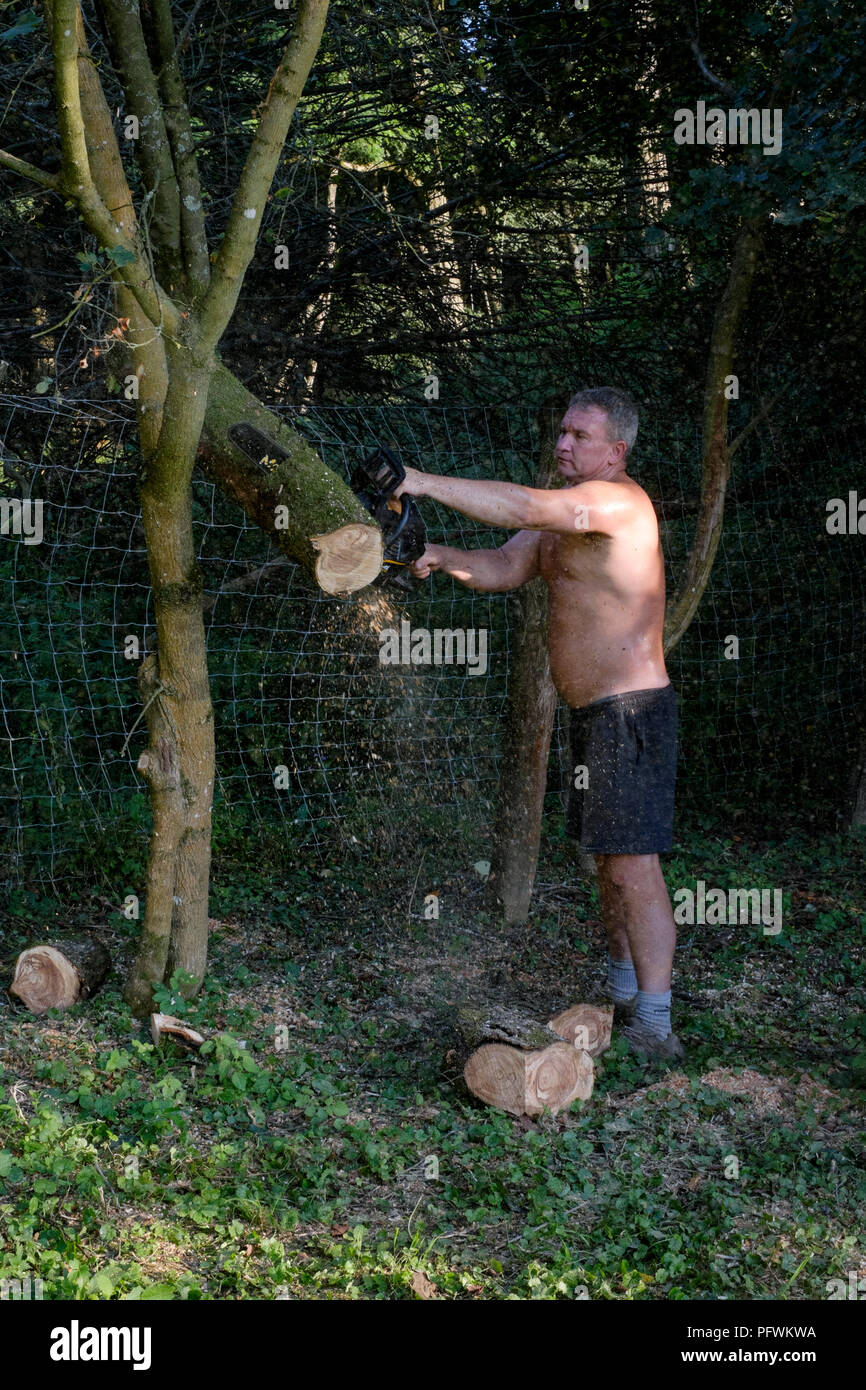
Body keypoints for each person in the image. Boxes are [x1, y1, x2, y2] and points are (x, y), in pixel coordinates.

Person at [393, 387, 683, 1059]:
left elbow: (525, 504)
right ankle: (622, 997)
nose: (563, 444)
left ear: (617, 450)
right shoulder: (558, 520)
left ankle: (657, 1026)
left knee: (635, 869)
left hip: (632, 713)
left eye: (581, 436)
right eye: (562, 431)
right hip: (595, 716)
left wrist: (422, 482)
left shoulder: (616, 502)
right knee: (609, 866)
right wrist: (436, 553)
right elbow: (502, 566)